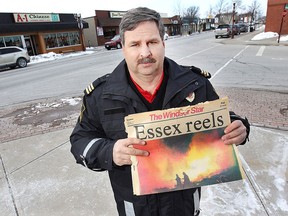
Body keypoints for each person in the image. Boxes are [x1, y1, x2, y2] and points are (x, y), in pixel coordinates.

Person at [70, 7, 250, 216]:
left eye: (152, 42)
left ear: (163, 43)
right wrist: (109, 152)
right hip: (135, 208)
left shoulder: (195, 84)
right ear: (123, 48)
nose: (145, 53)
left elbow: (223, 120)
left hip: (184, 206)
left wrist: (240, 127)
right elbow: (80, 141)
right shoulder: (101, 96)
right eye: (135, 44)